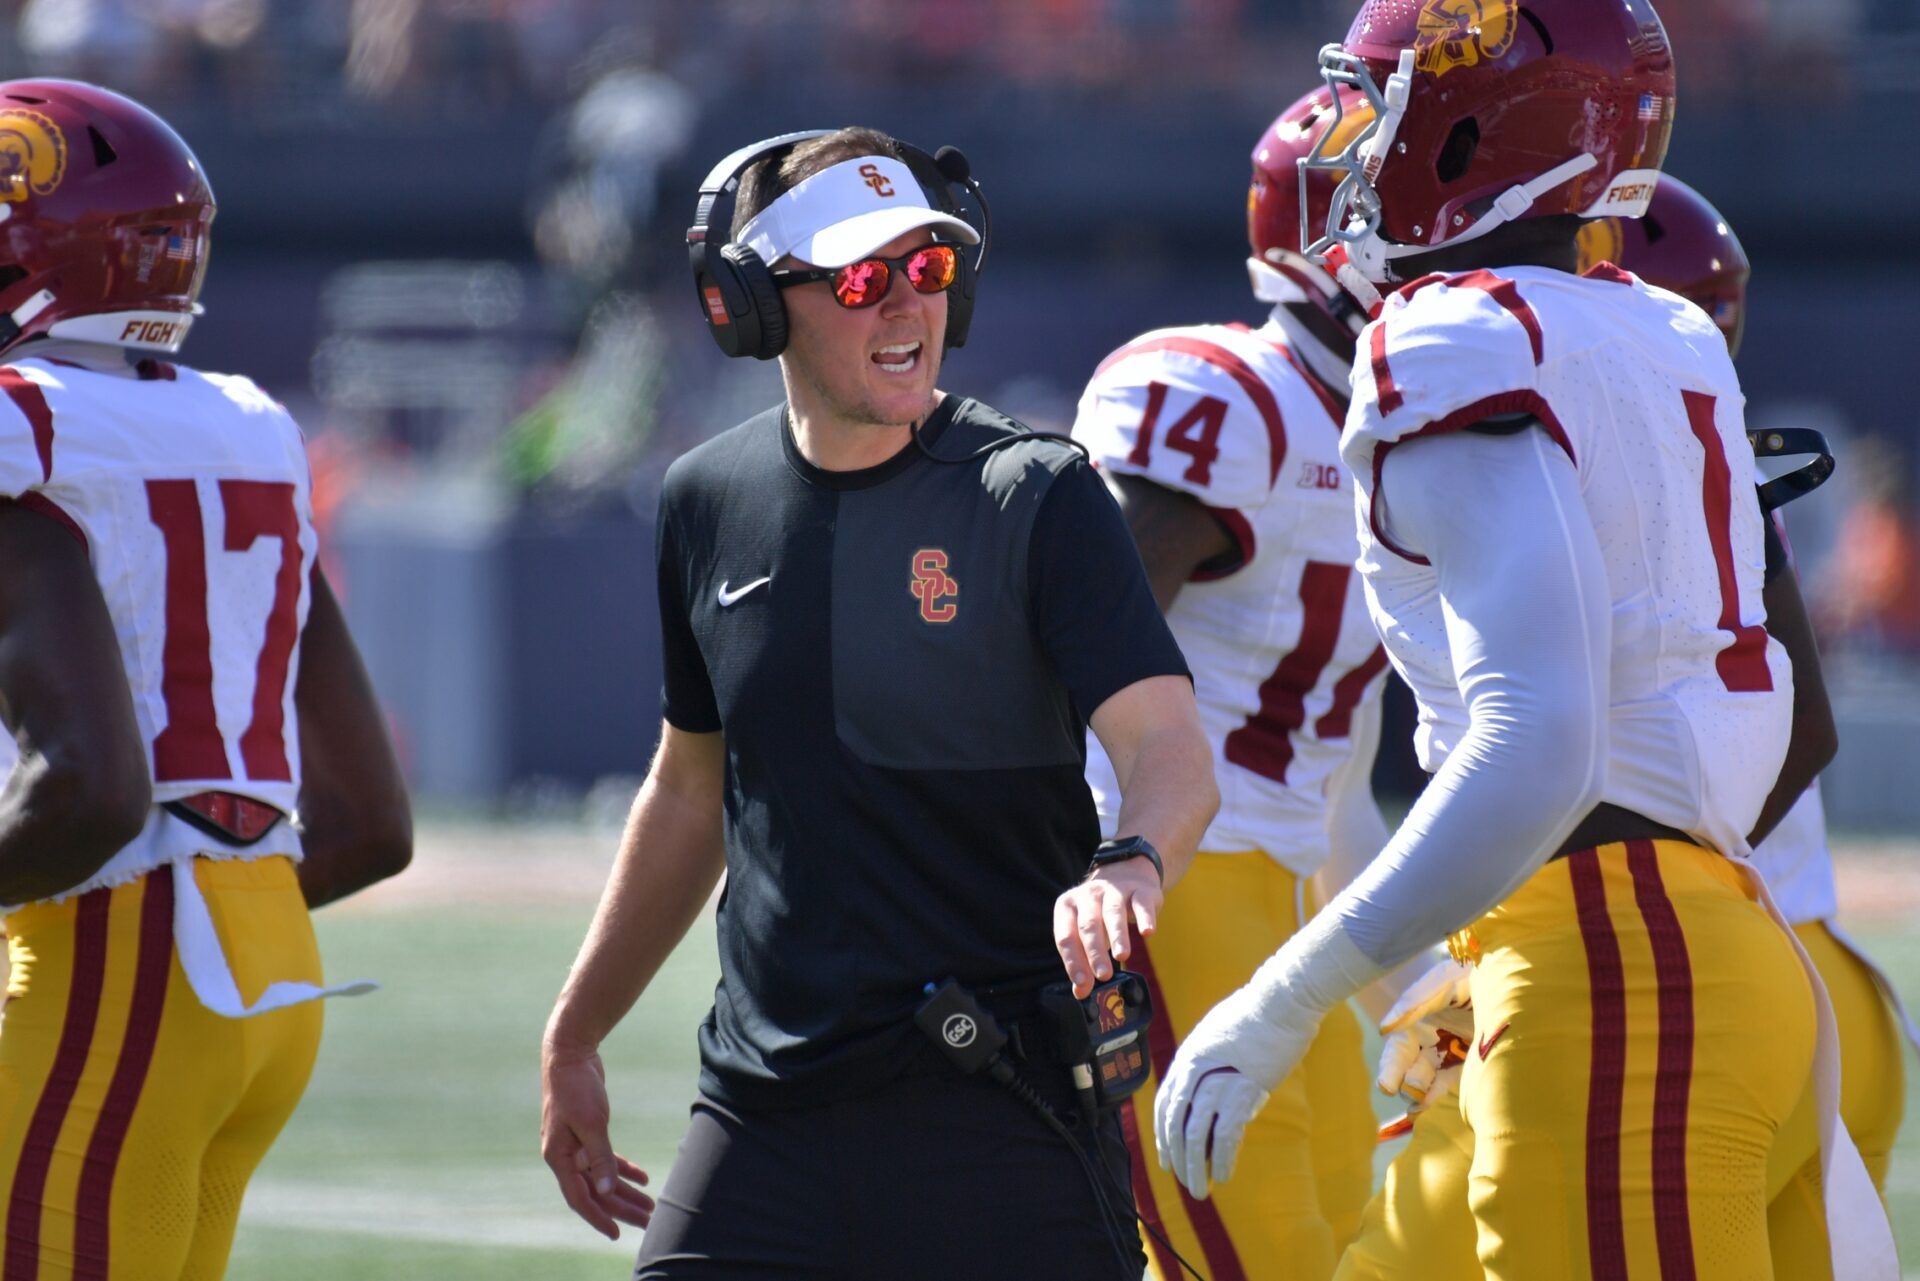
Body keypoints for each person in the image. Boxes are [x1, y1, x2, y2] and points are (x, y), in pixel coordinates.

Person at [1152, 3, 1900, 1278]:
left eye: (1377, 100)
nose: (1351, 137)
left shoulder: (1452, 338)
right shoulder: (1655, 331)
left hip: (1621, 973)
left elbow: (1541, 744)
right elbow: (1770, 712)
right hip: (1731, 944)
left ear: (1471, 126)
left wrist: (1285, 999)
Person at [538, 126, 1217, 1280]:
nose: (908, 307)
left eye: (931, 270)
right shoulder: (706, 499)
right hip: (765, 1113)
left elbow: (1167, 747)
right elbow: (688, 794)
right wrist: (576, 1032)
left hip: (1001, 1108)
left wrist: (1132, 864)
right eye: (863, 279)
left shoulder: (1036, 490)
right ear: (756, 304)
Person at [1338, 173, 1916, 1281]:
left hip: (1637, 953)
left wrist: (1298, 990)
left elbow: (1543, 739)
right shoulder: (1680, 442)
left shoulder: (1533, 406)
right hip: (1776, 958)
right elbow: (1793, 727)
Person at [0, 80, 412, 1280]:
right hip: (263, 965)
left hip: (110, 958)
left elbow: (90, 794)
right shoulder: (245, 425)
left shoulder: (27, 427)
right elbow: (372, 824)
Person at [1069, 84, 1395, 1280]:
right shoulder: (1228, 397)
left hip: (1288, 898)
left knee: (1342, 1217)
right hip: (1172, 881)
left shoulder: (1396, 422)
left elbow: (1344, 768)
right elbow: (1066, 646)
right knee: (1254, 1254)